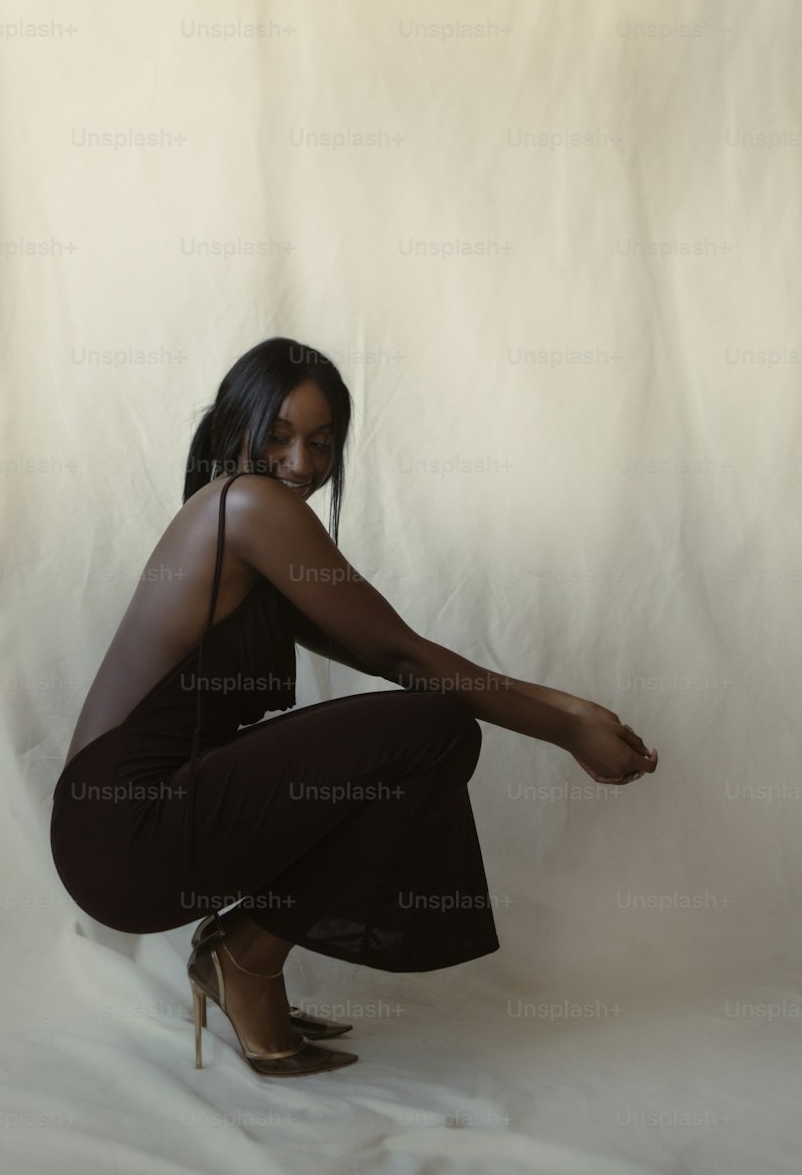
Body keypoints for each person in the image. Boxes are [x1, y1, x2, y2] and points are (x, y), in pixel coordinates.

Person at [49, 337, 658, 1080]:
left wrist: (566, 709)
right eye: (277, 435)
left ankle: (243, 953)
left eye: (322, 441)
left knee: (416, 737)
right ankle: (246, 957)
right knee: (431, 733)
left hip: (121, 831)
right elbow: (407, 660)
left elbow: (386, 656)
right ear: (231, 430)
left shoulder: (244, 528)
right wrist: (566, 726)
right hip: (125, 831)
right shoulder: (248, 505)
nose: (302, 464)